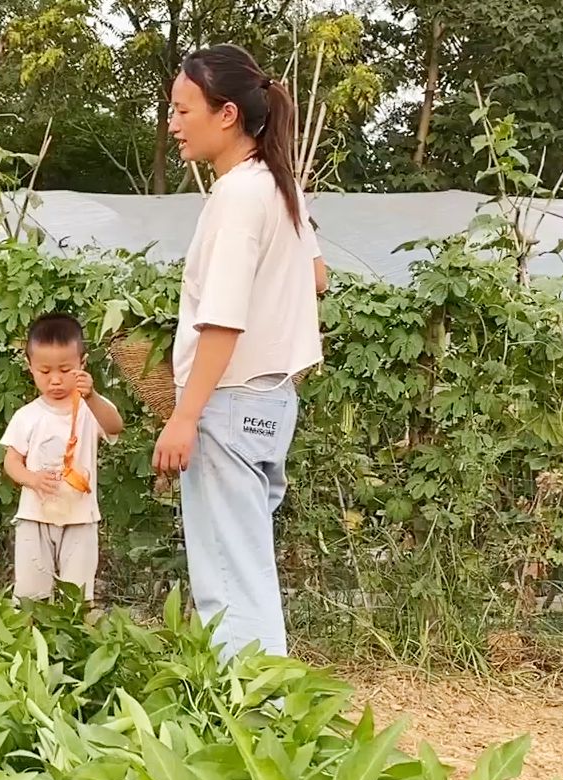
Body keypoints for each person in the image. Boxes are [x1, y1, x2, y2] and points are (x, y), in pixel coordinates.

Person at [151, 44, 329, 662]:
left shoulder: (235, 197)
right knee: (246, 565)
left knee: (228, 579)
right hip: (272, 401)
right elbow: (318, 277)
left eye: (181, 109)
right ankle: (266, 714)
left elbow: (221, 322)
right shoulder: (279, 185)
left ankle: (256, 724)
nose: (172, 123)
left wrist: (184, 414)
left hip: (227, 404)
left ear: (226, 114)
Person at [1, 312, 125, 602]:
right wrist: (32, 479)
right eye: (44, 372)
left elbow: (115, 426)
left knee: (78, 595)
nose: (55, 380)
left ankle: (76, 640)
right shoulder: (27, 416)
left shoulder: (89, 408)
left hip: (81, 518)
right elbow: (11, 461)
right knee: (31, 594)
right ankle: (32, 643)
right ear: (30, 366)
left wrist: (92, 396)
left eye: (65, 369)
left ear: (82, 365)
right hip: (35, 517)